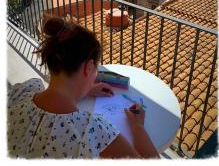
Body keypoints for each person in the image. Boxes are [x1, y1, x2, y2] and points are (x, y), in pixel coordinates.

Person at [8, 17, 159, 159]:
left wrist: (86, 89)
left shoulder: (22, 92)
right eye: (95, 70)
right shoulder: (92, 130)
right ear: (89, 67)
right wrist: (138, 126)